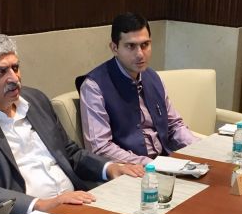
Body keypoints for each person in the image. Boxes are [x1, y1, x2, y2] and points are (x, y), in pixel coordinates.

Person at [0, 31, 142, 214]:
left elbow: (69, 153)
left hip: (79, 203)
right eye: (0, 72)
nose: (14, 79)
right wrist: (40, 205)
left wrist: (110, 167)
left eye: (15, 67)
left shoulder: (35, 100)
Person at [77, 12, 197, 165]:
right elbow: (100, 148)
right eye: (131, 46)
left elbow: (174, 125)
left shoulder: (152, 76)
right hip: (130, 171)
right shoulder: (94, 86)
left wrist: (200, 147)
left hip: (167, 161)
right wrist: (150, 165)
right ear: (114, 48)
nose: (140, 54)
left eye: (145, 45)